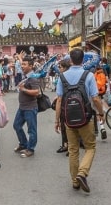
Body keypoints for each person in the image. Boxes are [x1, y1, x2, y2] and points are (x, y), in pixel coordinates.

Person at [54, 48, 105, 193]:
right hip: (86, 118)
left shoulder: (62, 77)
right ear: (83, 60)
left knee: (73, 149)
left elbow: (59, 100)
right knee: (90, 147)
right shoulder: (88, 75)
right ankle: (82, 173)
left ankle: (75, 181)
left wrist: (57, 121)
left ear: (70, 60)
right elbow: (95, 98)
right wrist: (101, 113)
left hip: (68, 119)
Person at [13, 59, 42, 158]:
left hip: (30, 108)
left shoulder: (33, 78)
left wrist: (23, 89)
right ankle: (23, 144)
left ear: (31, 66)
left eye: (24, 64)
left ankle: (30, 149)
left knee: (31, 130)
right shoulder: (27, 76)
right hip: (22, 107)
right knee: (16, 125)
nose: (22, 66)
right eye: (22, 64)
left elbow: (36, 92)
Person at [54, 56, 73, 154]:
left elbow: (60, 98)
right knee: (67, 125)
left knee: (64, 125)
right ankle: (67, 144)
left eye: (60, 67)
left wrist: (55, 120)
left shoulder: (62, 77)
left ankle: (68, 145)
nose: (59, 69)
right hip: (72, 104)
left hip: (64, 104)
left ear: (65, 68)